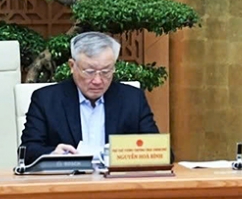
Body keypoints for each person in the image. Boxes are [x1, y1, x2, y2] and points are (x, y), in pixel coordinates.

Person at [20, 31, 158, 163]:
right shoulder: (46, 100)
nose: (98, 80)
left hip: (117, 182)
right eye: (89, 72)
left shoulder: (132, 99)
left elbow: (161, 151)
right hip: (68, 182)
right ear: (72, 66)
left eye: (105, 71)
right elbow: (27, 151)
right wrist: (53, 155)